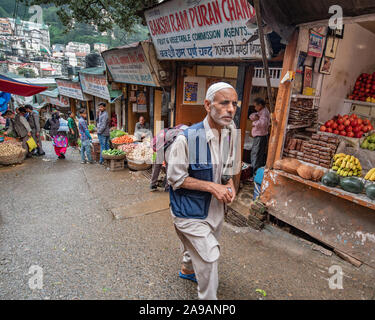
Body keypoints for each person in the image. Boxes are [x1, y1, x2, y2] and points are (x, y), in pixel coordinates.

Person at [167, 82, 240, 300]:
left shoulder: (229, 133)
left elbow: (227, 171)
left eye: (234, 104)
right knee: (209, 257)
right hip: (189, 210)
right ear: (207, 105)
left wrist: (229, 185)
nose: (230, 109)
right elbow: (175, 178)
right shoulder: (187, 139)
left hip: (215, 209)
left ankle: (187, 269)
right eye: (224, 102)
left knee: (200, 246)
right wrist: (211, 186)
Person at [150, 124, 188, 192]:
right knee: (168, 167)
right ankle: (167, 187)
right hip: (166, 147)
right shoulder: (183, 134)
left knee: (157, 166)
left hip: (162, 146)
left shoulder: (172, 131)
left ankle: (152, 185)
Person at [249, 97, 270, 177]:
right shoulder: (261, 111)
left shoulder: (264, 112)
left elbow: (263, 123)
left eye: (256, 106)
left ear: (260, 105)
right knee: (258, 154)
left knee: (255, 154)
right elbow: (251, 116)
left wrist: (254, 123)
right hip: (261, 136)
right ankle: (256, 172)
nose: (255, 108)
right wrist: (255, 117)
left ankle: (253, 172)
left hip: (260, 136)